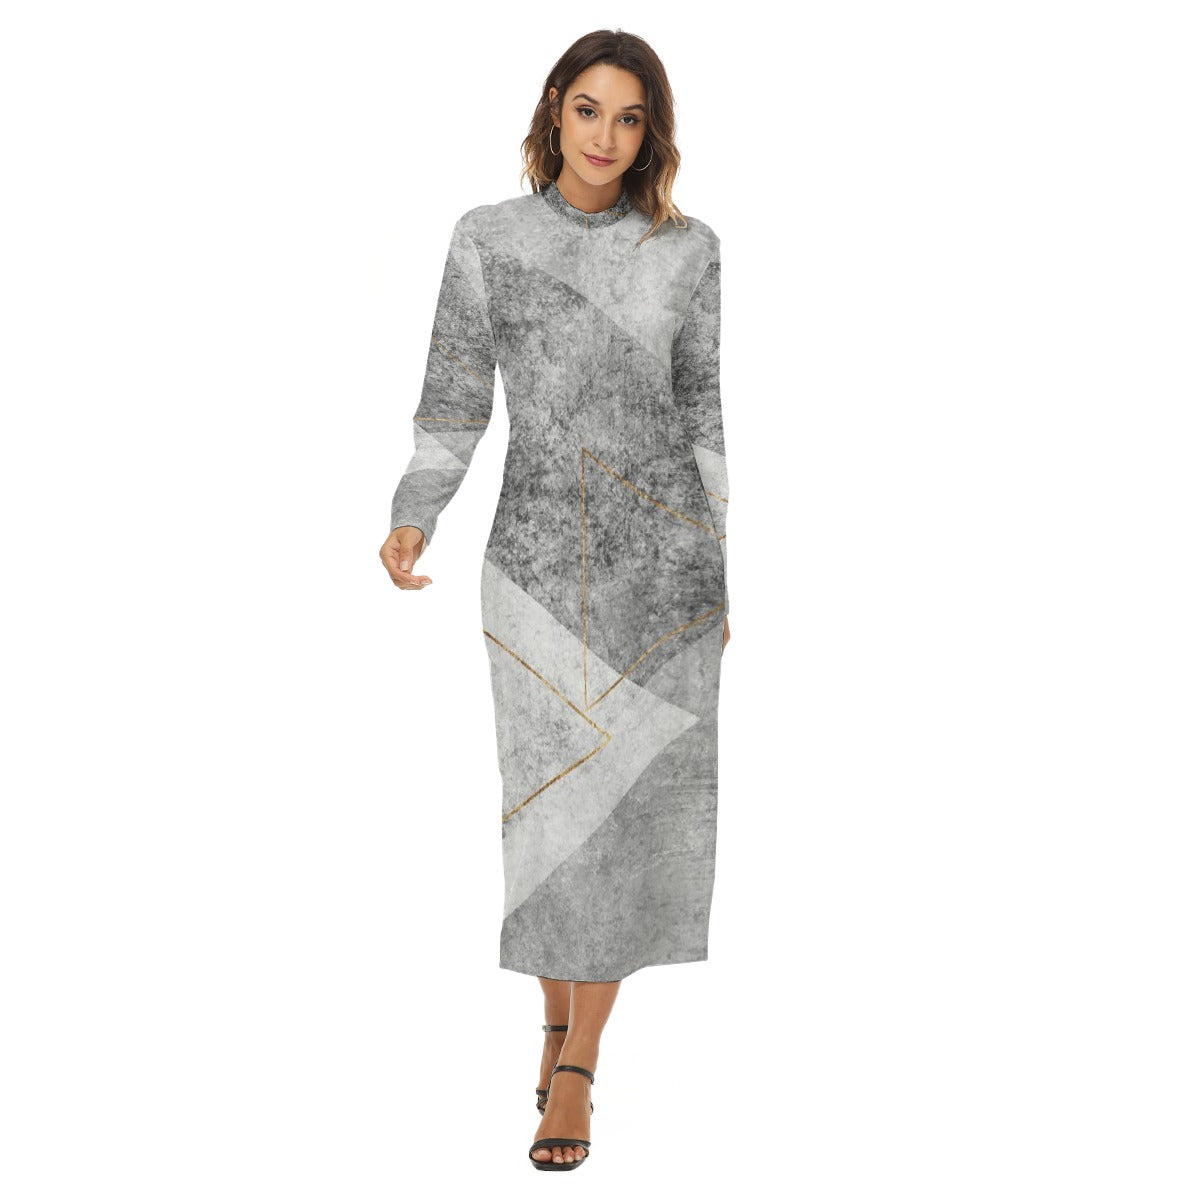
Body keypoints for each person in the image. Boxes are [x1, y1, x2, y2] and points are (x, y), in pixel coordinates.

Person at [379, 28, 731, 1171]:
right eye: (589, 111)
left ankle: (577, 1064)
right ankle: (554, 1020)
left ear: (650, 132)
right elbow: (452, 399)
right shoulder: (489, 238)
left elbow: (703, 415)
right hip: (534, 574)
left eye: (630, 119)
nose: (606, 138)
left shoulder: (689, 250)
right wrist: (416, 511)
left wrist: (720, 568)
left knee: (629, 830)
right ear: (554, 109)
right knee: (551, 826)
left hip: (663, 579)